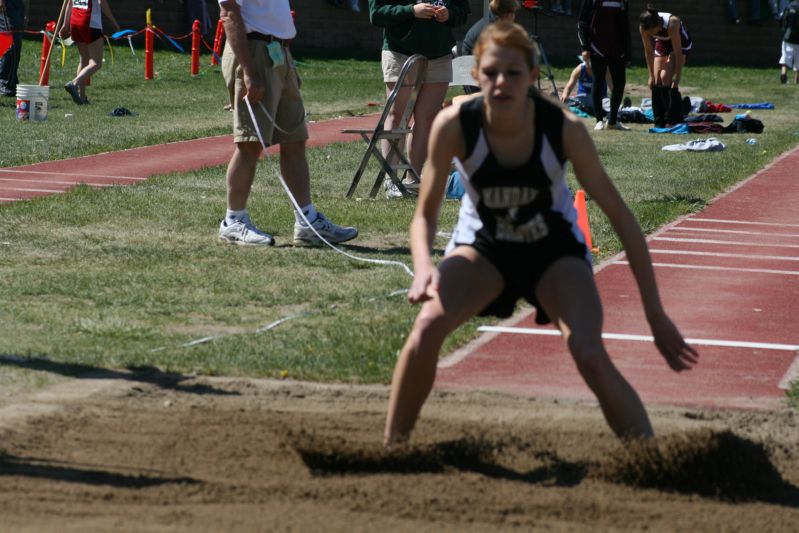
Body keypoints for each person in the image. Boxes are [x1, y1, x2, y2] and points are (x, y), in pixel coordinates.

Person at [383, 21, 698, 447]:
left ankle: (653, 458)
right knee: (426, 329)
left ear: (533, 78)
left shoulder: (563, 128)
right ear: (475, 75)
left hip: (554, 253)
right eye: (491, 73)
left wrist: (656, 316)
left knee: (588, 352)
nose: (501, 83)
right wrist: (423, 268)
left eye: (513, 73)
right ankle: (393, 448)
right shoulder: (454, 124)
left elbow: (623, 220)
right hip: (485, 249)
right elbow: (425, 216)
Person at [217, 0, 358, 247]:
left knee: (295, 139)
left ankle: (307, 223)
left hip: (278, 51)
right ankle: (233, 221)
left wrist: (286, 62)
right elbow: (229, 14)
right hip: (253, 51)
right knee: (250, 141)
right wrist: (249, 71)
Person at [369, 0, 470, 197]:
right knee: (397, 115)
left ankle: (412, 179)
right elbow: (377, 14)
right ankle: (392, 180)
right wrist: (411, 11)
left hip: (439, 55)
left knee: (427, 119)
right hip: (400, 52)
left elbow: (462, 13)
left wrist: (448, 14)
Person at [578, 0, 632, 131]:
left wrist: (628, 52)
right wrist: (585, 47)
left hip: (617, 49)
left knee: (620, 83)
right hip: (597, 47)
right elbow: (582, 22)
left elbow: (625, 26)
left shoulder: (622, 1)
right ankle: (599, 121)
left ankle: (612, 121)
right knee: (598, 81)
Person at [639, 6, 692, 127]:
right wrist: (651, 76)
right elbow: (648, 51)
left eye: (653, 31)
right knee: (657, 80)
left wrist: (677, 79)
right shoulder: (644, 27)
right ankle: (660, 118)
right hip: (662, 43)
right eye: (649, 33)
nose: (651, 34)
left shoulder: (672, 23)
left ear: (658, 24)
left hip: (680, 45)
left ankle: (674, 118)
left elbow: (678, 53)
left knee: (665, 77)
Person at [60, 0, 120, 105]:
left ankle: (81, 96)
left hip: (75, 21)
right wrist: (113, 21)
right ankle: (74, 83)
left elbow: (69, 3)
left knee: (84, 59)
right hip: (90, 22)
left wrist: (65, 25)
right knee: (96, 62)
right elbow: (102, 2)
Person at [459, 0, 519, 94]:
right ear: (508, 14)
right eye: (514, 12)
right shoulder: (490, 28)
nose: (515, 16)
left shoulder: (495, 23)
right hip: (473, 70)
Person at [0, 0, 28, 98]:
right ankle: (4, 83)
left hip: (17, 4)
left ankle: (11, 81)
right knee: (9, 44)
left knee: (15, 45)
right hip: (7, 5)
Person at [779, 0, 799, 84]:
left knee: (785, 58)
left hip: (788, 35)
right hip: (798, 37)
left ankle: (783, 74)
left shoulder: (789, 6)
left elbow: (781, 19)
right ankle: (796, 81)